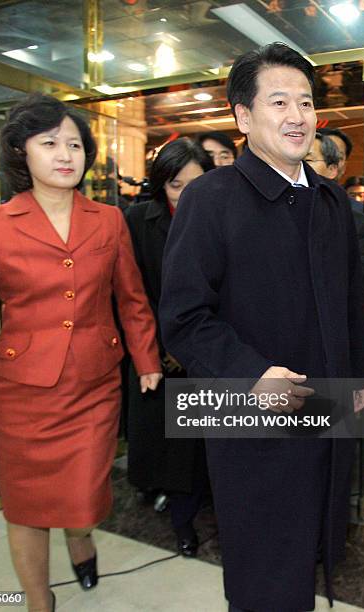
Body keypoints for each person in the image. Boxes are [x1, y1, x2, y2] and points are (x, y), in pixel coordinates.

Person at [159, 43, 364, 611]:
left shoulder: (333, 202)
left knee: (312, 551)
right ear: (243, 116)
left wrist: (357, 380)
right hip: (252, 416)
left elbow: (353, 303)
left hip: (324, 412)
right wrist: (251, 375)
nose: (297, 115)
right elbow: (183, 317)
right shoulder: (210, 199)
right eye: (279, 101)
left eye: (305, 102)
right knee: (264, 572)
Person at [0, 93, 161, 612]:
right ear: (21, 154)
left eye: (73, 143)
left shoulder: (109, 220)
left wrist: (147, 360)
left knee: (83, 497)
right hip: (23, 395)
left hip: (94, 386)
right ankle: (37, 599)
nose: (64, 154)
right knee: (25, 507)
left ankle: (80, 536)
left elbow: (132, 297)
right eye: (49, 143)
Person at [125, 138, 215, 556]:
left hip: (211, 350)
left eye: (195, 184)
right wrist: (160, 347)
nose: (186, 194)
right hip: (158, 354)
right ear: (162, 184)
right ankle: (183, 524)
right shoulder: (139, 220)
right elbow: (133, 293)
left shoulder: (224, 218)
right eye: (176, 185)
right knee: (172, 448)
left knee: (206, 445)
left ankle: (203, 512)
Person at [306, 134, 364, 290]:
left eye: (308, 161)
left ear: (332, 169)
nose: (299, 168)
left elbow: (358, 278)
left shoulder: (356, 222)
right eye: (294, 161)